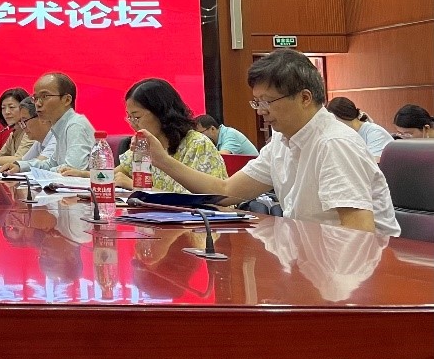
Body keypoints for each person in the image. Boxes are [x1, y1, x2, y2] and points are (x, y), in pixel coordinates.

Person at [139, 49, 399, 236]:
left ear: (305, 98)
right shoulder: (281, 142)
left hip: (356, 276)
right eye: (257, 102)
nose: (260, 110)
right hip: (311, 264)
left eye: (267, 101)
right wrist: (162, 160)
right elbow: (227, 190)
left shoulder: (334, 143)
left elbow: (359, 232)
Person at [113, 78, 225, 192]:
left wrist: (136, 186)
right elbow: (113, 176)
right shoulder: (145, 144)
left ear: (161, 113)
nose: (133, 124)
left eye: (137, 117)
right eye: (129, 117)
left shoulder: (198, 145)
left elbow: (197, 199)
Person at [15, 72, 95, 172]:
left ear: (67, 100)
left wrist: (45, 172)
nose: (38, 104)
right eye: (35, 98)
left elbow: (72, 170)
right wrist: (20, 166)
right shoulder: (60, 126)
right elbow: (51, 163)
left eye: (45, 96)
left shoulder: (76, 125)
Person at [325, 97, 391, 160]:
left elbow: (373, 164)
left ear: (347, 116)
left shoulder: (375, 132)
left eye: (336, 121)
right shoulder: (343, 137)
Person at [0, 87, 35, 164]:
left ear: (24, 108)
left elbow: (19, 159)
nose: (7, 112)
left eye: (11, 107)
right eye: (3, 108)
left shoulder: (30, 131)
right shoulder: (13, 133)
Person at [193, 113, 259, 156]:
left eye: (200, 133)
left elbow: (223, 155)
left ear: (212, 129)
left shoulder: (230, 134)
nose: (199, 137)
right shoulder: (217, 139)